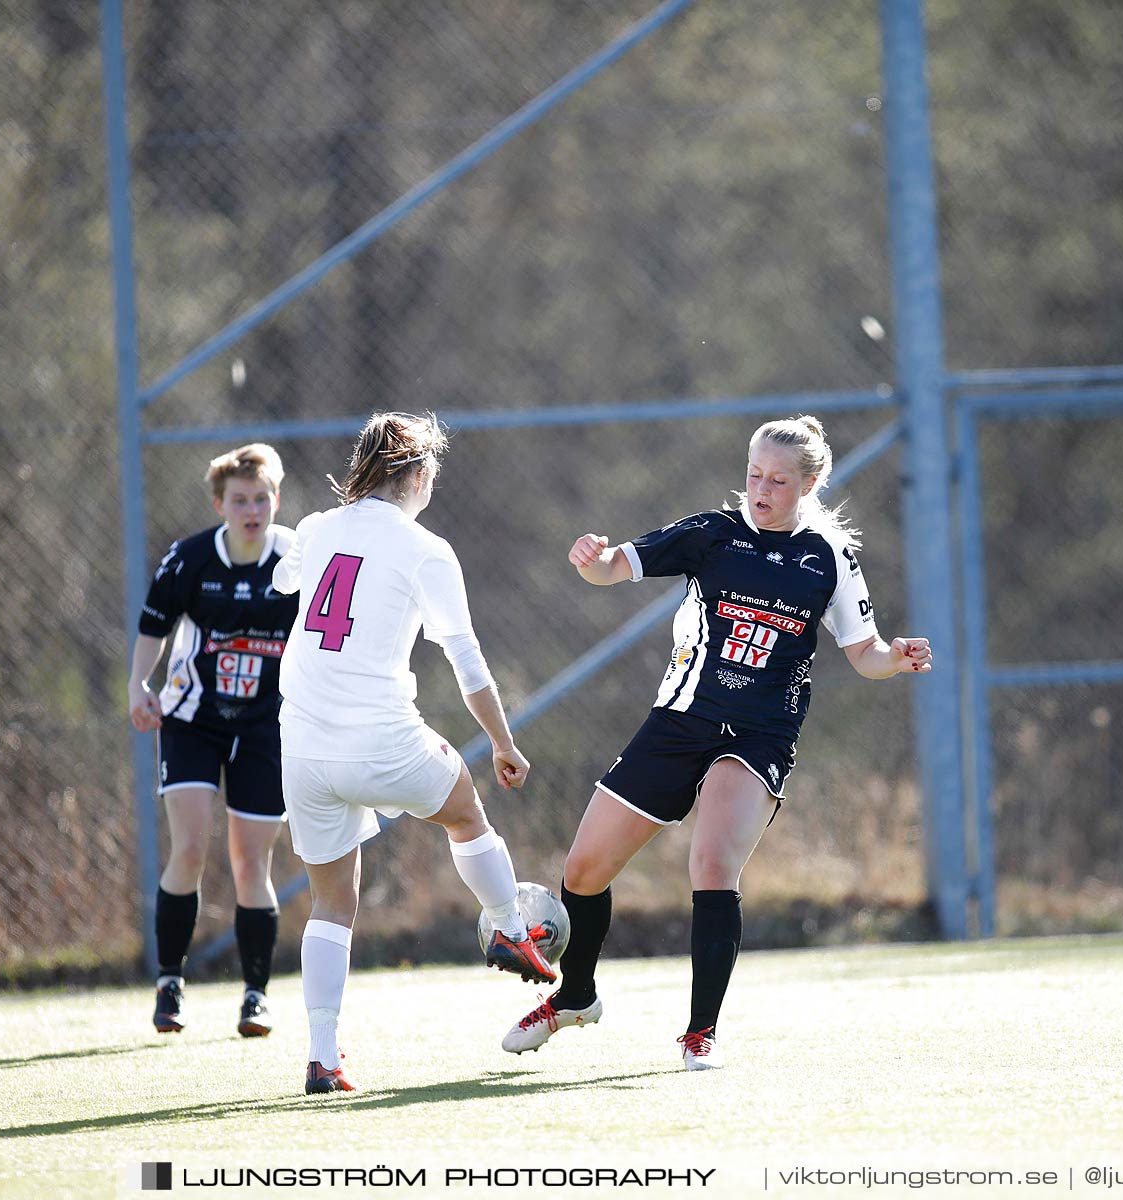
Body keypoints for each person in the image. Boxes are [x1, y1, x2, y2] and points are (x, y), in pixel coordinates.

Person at [501, 415, 931, 1070]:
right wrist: (593, 559)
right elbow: (618, 566)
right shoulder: (712, 533)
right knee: (583, 872)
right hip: (680, 721)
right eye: (754, 474)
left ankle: (699, 1032)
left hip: (761, 731)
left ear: (811, 483)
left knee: (711, 864)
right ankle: (576, 996)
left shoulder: (830, 558)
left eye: (779, 480)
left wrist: (895, 656)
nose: (761, 489)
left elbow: (864, 653)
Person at [272, 411, 556, 1095]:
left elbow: (287, 581)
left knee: (331, 905)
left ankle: (321, 1055)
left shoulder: (317, 528)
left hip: (304, 748)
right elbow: (467, 659)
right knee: (466, 814)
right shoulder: (426, 548)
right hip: (380, 739)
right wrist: (502, 742)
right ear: (421, 473)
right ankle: (512, 926)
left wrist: (296, 541)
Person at [128, 443, 298, 1039]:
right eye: (239, 500)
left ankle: (255, 995)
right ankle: (170, 981)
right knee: (191, 849)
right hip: (193, 718)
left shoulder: (298, 561)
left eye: (261, 499)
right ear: (220, 504)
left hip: (265, 727)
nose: (252, 510)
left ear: (275, 500)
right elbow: (154, 625)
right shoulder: (192, 559)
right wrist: (137, 686)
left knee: (253, 860)